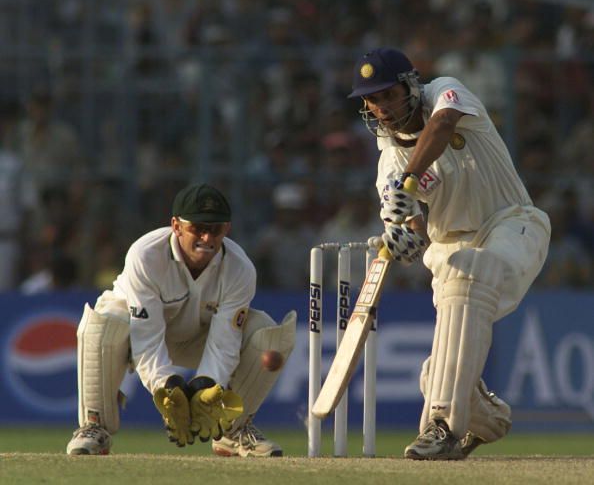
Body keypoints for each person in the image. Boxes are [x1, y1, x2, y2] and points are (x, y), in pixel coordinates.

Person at [347, 48, 550, 460]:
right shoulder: (388, 162)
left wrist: (407, 186)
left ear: (409, 85)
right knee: (437, 372)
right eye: (372, 100)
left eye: (388, 95)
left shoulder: (445, 92)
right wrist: (407, 235)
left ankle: (441, 427)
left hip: (511, 224)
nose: (380, 108)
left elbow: (440, 127)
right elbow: (416, 229)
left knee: (470, 273)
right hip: (448, 251)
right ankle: (488, 418)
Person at [66, 183, 296, 457]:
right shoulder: (147, 255)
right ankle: (94, 426)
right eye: (198, 228)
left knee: (268, 334)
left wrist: (207, 385)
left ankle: (233, 432)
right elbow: (146, 334)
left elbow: (225, 341)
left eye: (216, 229)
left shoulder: (240, 268)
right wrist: (166, 386)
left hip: (197, 337)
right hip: (131, 334)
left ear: (228, 229)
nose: (207, 238)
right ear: (176, 226)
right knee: (102, 325)